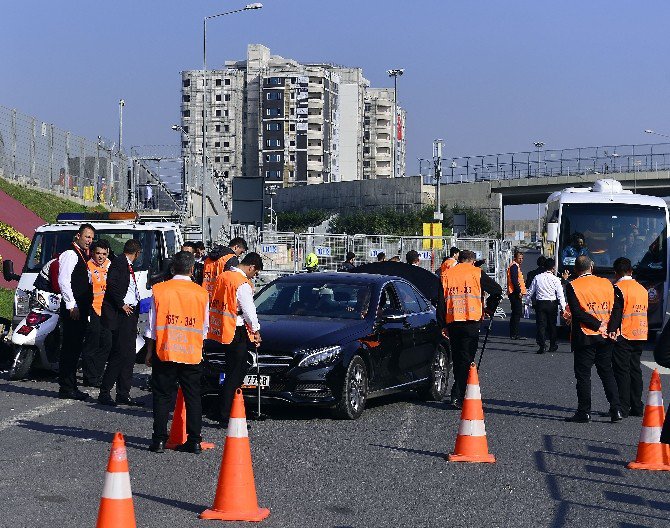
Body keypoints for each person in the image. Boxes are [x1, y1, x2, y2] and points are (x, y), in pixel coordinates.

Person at [144, 251, 209, 453]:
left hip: (166, 350)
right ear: (192, 269)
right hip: (191, 351)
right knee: (193, 397)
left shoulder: (160, 290)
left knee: (162, 396)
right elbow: (204, 327)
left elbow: (151, 326)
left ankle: (159, 440)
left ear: (173, 268)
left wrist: (149, 352)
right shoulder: (201, 293)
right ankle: (195, 440)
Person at [564, 255, 622, 423]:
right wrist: (610, 327)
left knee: (583, 376)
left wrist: (597, 325)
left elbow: (577, 312)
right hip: (606, 336)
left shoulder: (573, 285)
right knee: (607, 372)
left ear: (576, 269)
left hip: (585, 336)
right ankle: (616, 409)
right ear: (592, 266)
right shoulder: (607, 283)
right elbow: (617, 307)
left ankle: (584, 412)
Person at [208, 252, 264, 427]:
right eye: (255, 273)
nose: (253, 277)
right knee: (236, 373)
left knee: (229, 370)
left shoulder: (223, 276)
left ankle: (219, 409)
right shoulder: (242, 283)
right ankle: (225, 413)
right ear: (251, 267)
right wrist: (256, 330)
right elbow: (248, 311)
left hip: (221, 327)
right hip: (236, 328)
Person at [441, 249, 502, 408]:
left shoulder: (447, 274)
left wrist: (442, 324)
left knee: (458, 357)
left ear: (459, 260)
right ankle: (459, 394)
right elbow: (497, 290)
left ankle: (457, 392)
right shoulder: (477, 273)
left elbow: (440, 301)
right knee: (467, 358)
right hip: (472, 321)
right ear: (472, 261)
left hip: (453, 320)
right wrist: (489, 309)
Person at [98, 239, 145, 407]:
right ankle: (105, 391)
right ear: (137, 253)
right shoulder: (119, 263)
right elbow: (111, 285)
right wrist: (121, 303)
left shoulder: (126, 264)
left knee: (129, 354)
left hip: (130, 313)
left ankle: (123, 393)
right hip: (122, 314)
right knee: (119, 354)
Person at [57, 223, 95, 400]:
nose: (89, 241)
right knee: (70, 348)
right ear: (78, 236)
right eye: (87, 237)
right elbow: (64, 280)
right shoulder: (70, 254)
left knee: (75, 348)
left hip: (80, 308)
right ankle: (66, 386)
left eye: (91, 238)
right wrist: (71, 304)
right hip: (73, 309)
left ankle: (72, 385)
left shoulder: (81, 255)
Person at [608, 257, 647, 418]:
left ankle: (623, 407)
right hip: (640, 332)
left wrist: (611, 330)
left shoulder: (617, 288)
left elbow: (616, 312)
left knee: (622, 372)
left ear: (616, 273)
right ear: (631, 271)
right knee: (635, 370)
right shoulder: (642, 289)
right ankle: (637, 406)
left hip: (623, 334)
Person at [81, 240, 112, 387]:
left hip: (107, 310)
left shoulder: (110, 265)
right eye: (98, 253)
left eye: (104, 254)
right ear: (93, 253)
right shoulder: (87, 266)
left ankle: (97, 373)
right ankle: (90, 377)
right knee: (92, 344)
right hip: (92, 309)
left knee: (107, 343)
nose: (101, 257)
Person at [526, 258, 565, 354]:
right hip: (552, 303)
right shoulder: (556, 279)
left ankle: (542, 345)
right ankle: (552, 345)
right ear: (553, 268)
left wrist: (527, 302)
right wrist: (563, 308)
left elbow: (531, 291)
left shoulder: (537, 277)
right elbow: (560, 294)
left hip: (540, 303)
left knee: (541, 325)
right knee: (552, 325)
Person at [507, 250, 526, 340]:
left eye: (522, 258)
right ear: (515, 258)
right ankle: (514, 334)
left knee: (516, 313)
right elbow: (514, 280)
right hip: (514, 293)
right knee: (516, 313)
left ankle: (513, 333)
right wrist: (518, 291)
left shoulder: (515, 266)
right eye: (519, 258)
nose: (521, 260)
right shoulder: (514, 266)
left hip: (514, 292)